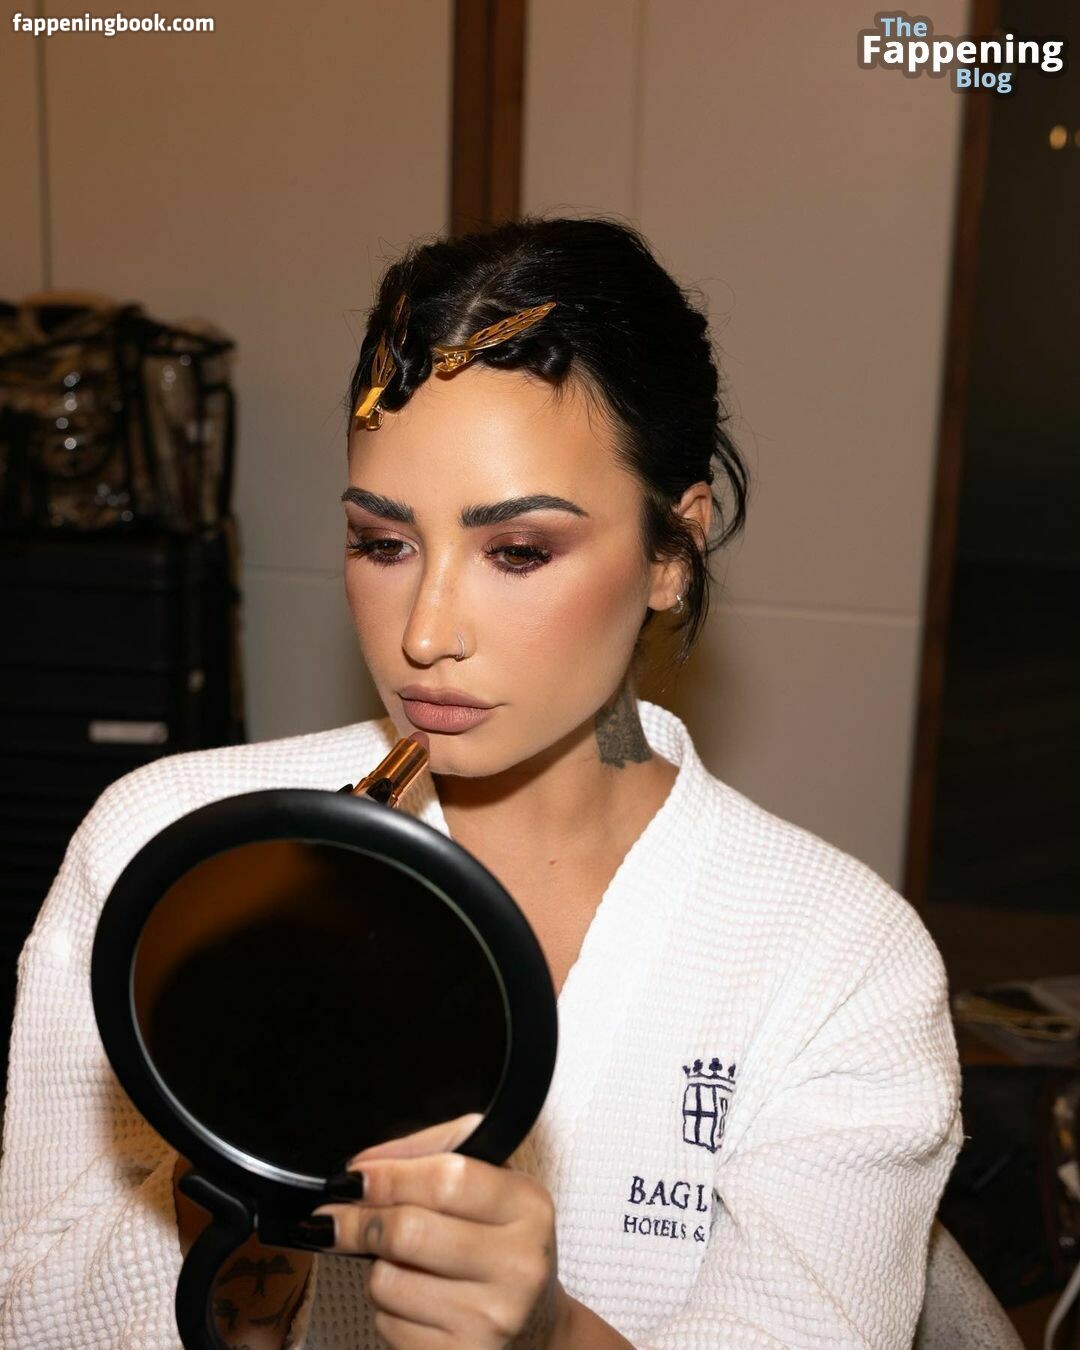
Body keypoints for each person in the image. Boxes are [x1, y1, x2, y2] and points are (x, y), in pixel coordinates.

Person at [0, 215, 963, 1349]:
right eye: (383, 543)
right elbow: (34, 1309)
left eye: (518, 552)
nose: (426, 632)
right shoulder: (168, 850)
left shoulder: (837, 958)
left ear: (672, 549)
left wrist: (547, 1336)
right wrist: (241, 1137)